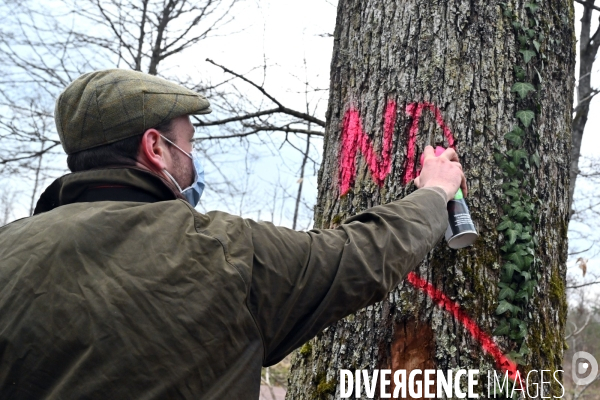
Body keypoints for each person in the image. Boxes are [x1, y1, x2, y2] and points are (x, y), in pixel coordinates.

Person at [0, 69, 466, 399]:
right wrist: (434, 193)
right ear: (155, 148)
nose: (193, 160)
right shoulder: (219, 249)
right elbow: (358, 255)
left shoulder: (8, 252)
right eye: (189, 144)